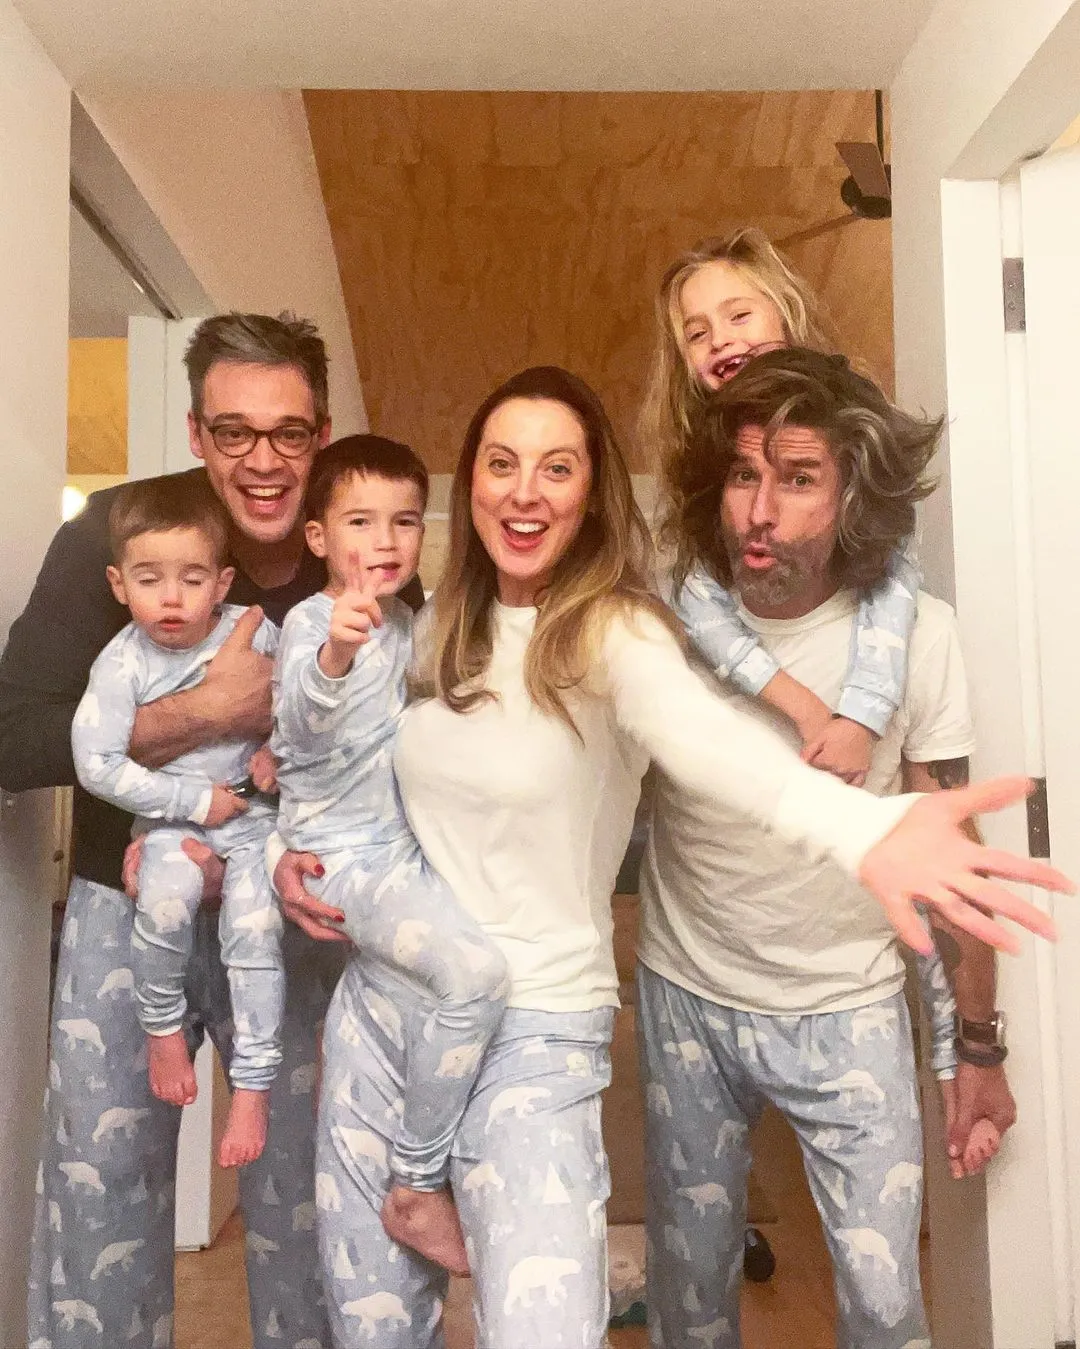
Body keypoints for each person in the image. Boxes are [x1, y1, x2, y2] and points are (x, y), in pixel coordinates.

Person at [273, 365, 1064, 1349]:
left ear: (591, 490)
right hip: (385, 1019)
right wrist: (288, 849)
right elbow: (348, 768)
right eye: (502, 463)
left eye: (557, 468)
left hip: (531, 1033)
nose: (524, 492)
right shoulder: (428, 626)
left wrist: (865, 828)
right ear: (468, 480)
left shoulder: (617, 630)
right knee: (372, 1332)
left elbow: (713, 744)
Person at [0, 313, 426, 1349]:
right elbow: (12, 733)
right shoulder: (116, 535)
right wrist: (204, 712)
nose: (264, 461)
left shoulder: (367, 553)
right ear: (197, 432)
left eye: (289, 432)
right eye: (235, 431)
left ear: (322, 433)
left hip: (296, 920)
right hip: (122, 905)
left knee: (311, 1202)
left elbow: (397, 759)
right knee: (99, 1198)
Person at [638, 347, 1015, 1349]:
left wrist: (978, 1049)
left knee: (887, 1304)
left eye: (798, 479)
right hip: (688, 993)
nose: (759, 512)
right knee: (690, 1297)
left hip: (848, 1005)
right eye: (743, 475)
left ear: (852, 496)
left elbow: (950, 850)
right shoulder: (664, 624)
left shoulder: (918, 637)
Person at [271, 433, 508, 1274]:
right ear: (318, 537)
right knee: (476, 975)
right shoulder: (310, 624)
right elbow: (298, 727)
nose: (385, 540)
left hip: (402, 850)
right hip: (343, 860)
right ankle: (416, 1182)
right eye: (360, 522)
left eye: (405, 521)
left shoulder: (412, 620)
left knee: (442, 986)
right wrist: (335, 654)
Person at [641, 226, 919, 787]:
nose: (720, 340)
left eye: (739, 316)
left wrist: (861, 716)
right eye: (697, 333)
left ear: (787, 315)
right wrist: (804, 708)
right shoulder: (695, 456)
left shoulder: (849, 419)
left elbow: (894, 577)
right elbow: (694, 598)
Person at [72, 475, 283, 1169]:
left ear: (221, 583)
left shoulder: (255, 631)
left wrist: (278, 751)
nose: (171, 598)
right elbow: (95, 764)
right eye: (149, 579)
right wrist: (193, 803)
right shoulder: (121, 664)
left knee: (257, 932)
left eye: (191, 579)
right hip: (172, 826)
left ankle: (252, 1084)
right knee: (164, 903)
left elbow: (307, 704)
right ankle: (163, 1030)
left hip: (256, 828)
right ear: (117, 583)